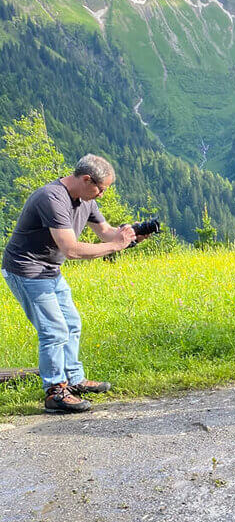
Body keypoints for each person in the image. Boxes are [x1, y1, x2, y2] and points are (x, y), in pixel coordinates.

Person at [1, 154, 136, 413]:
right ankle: (55, 393)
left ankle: (74, 380)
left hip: (51, 270)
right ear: (86, 180)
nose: (102, 195)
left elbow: (106, 233)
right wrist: (114, 246)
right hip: (26, 271)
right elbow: (71, 249)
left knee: (71, 323)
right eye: (101, 189)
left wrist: (127, 236)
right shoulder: (51, 198)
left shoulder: (85, 199)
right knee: (54, 330)